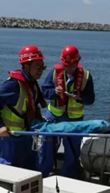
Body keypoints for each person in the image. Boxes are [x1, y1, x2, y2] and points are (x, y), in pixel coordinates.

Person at [39, 45, 95, 178]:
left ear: (77, 63)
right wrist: (54, 92)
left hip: (74, 120)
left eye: (72, 66)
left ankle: (68, 177)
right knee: (47, 148)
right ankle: (42, 174)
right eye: (66, 66)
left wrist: (80, 97)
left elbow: (91, 99)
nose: (69, 68)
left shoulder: (86, 76)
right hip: (54, 117)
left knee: (72, 152)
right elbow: (44, 92)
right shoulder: (54, 73)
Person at [0, 45, 47, 171]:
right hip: (10, 136)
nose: (41, 70)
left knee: (31, 168)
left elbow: (32, 106)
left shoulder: (32, 84)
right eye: (38, 66)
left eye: (43, 67)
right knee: (9, 169)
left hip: (26, 134)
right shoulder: (13, 84)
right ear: (26, 66)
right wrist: (0, 126)